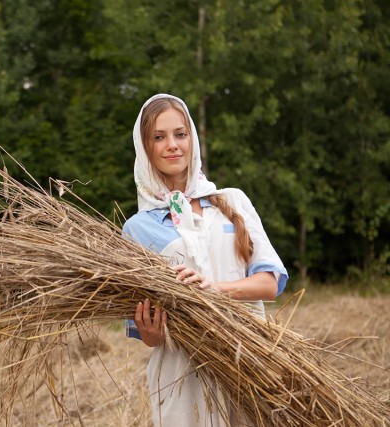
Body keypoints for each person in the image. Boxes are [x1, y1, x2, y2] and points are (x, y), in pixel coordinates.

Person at [122, 94, 288, 426]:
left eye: (180, 134)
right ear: (145, 148)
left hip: (249, 365)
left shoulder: (232, 202)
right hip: (182, 380)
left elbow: (269, 284)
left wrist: (213, 289)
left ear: (192, 140)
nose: (172, 145)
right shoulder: (136, 228)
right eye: (159, 137)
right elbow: (148, 337)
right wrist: (151, 329)